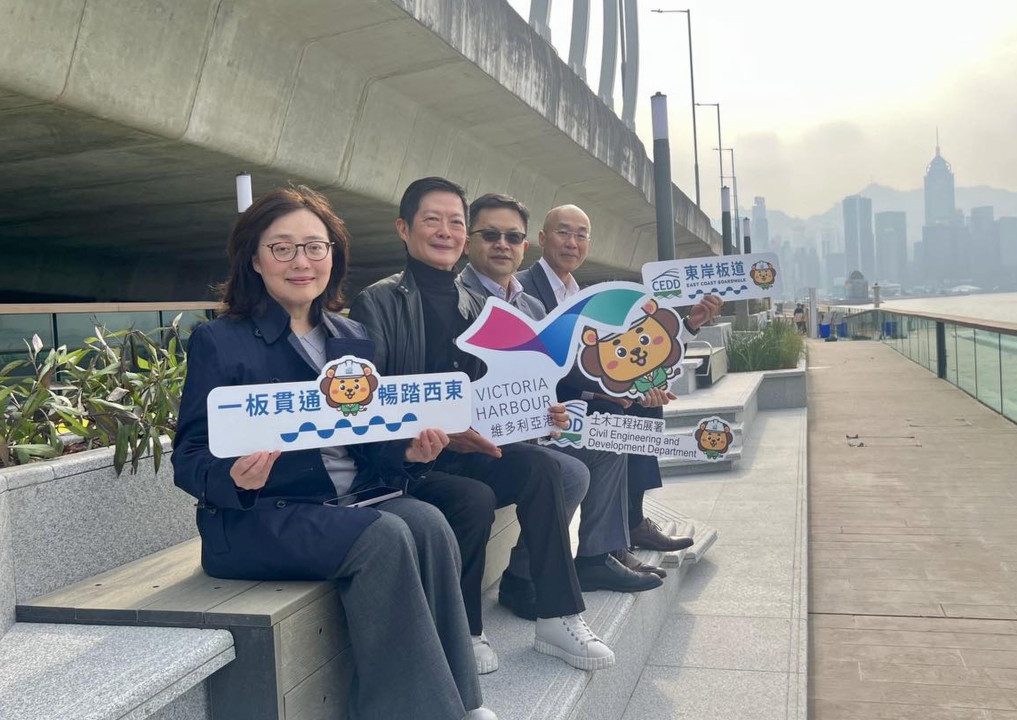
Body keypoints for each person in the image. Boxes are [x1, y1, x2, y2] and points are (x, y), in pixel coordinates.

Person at [172, 187, 495, 720]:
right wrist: (234, 477)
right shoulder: (220, 341)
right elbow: (189, 456)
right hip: (260, 518)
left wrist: (409, 452)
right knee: (388, 536)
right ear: (254, 259)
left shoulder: (353, 338)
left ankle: (463, 702)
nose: (302, 262)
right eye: (282, 249)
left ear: (333, 257)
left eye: (315, 248)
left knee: (429, 523)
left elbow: (369, 443)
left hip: (352, 503)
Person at [349, 177, 615, 672]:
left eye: (454, 221)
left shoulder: (477, 306)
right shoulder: (377, 303)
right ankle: (466, 629)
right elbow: (367, 404)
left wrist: (540, 413)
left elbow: (492, 393)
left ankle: (559, 615)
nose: (445, 231)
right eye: (433, 220)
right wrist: (428, 435)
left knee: (543, 467)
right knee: (474, 499)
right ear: (404, 229)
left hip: (467, 449)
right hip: (405, 462)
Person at [459, 193, 663, 614]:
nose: (503, 244)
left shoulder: (534, 302)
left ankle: (597, 554)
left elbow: (556, 369)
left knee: (609, 438)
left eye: (511, 237)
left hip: (539, 422)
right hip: (477, 438)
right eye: (491, 235)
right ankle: (523, 575)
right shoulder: (455, 297)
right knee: (569, 463)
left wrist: (610, 389)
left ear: (523, 244)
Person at [517, 205, 724, 556]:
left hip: (586, 398)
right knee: (619, 417)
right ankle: (612, 541)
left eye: (581, 235)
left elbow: (622, 356)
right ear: (541, 239)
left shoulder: (584, 296)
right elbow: (540, 371)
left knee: (645, 408)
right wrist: (603, 393)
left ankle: (632, 521)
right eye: (563, 232)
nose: (572, 242)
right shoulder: (523, 290)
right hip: (548, 410)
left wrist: (688, 327)